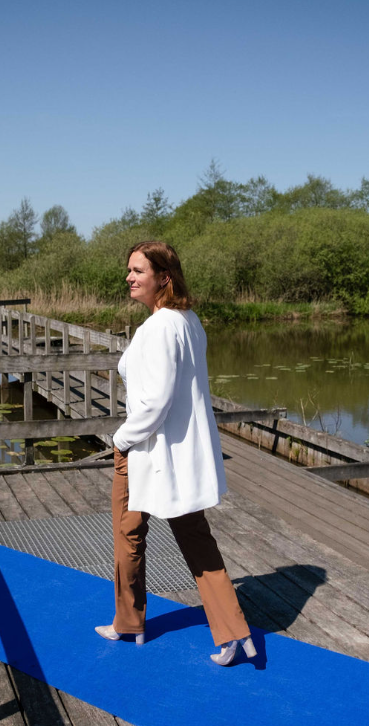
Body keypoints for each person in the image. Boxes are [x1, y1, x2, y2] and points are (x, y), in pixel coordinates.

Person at [94, 241, 256, 666]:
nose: (129, 277)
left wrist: (121, 439)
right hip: (176, 454)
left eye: (137, 271)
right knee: (195, 540)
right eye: (128, 270)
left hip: (147, 451)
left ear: (163, 277)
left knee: (129, 536)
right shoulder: (189, 321)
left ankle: (130, 624)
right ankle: (231, 632)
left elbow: (156, 400)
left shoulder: (160, 327)